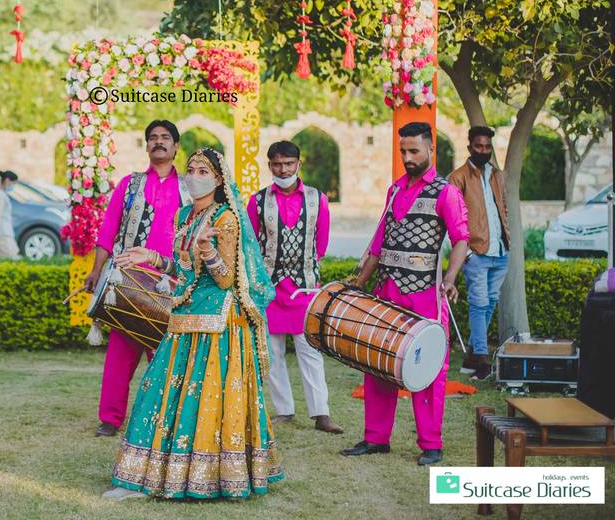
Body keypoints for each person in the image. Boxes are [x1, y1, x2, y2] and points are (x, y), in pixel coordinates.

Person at [102, 148, 282, 500]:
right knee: (161, 390)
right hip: (183, 315)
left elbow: (226, 279)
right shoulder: (184, 215)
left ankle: (213, 477)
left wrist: (211, 252)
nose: (194, 175)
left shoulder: (226, 218)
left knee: (205, 397)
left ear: (218, 179)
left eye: (203, 170)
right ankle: (150, 475)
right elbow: (182, 269)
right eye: (191, 169)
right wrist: (151, 257)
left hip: (217, 323)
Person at [340, 122, 469, 466]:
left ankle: (431, 444)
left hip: (425, 294)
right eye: (403, 152)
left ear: (430, 150)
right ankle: (375, 438)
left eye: (414, 151)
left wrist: (452, 278)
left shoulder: (446, 192)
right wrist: (360, 282)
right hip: (386, 292)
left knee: (426, 368)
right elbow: (379, 240)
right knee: (377, 362)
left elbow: (461, 240)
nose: (408, 158)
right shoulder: (395, 189)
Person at [82, 119, 189, 437]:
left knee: (167, 354)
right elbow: (108, 229)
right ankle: (110, 419)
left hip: (170, 282)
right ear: (147, 146)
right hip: (128, 281)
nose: (159, 142)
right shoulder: (129, 184)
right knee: (120, 351)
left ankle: (167, 417)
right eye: (153, 137)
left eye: (165, 137)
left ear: (176, 146)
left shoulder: (189, 186)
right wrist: (96, 270)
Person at [246, 140, 342, 434]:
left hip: (305, 289)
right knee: (272, 352)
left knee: (310, 349)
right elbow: (250, 244)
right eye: (277, 164)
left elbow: (321, 244)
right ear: (269, 165)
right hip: (270, 288)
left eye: (288, 164)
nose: (283, 169)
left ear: (298, 164)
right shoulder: (258, 201)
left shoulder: (317, 199)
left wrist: (303, 270)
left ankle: (321, 413)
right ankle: (284, 409)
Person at [448, 126, 510, 381]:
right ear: (470, 147)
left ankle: (472, 355)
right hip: (476, 253)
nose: (483, 151)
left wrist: (509, 242)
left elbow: (503, 209)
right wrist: (467, 254)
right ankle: (482, 358)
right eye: (479, 146)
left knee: (491, 302)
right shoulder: (458, 177)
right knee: (479, 303)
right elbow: (451, 220)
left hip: (500, 251)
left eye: (487, 147)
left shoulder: (497, 175)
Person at [0, 170, 19, 258]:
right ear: (7, 180)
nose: (13, 186)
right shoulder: (0, 196)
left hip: (3, 235)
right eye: (13, 183)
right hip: (3, 237)